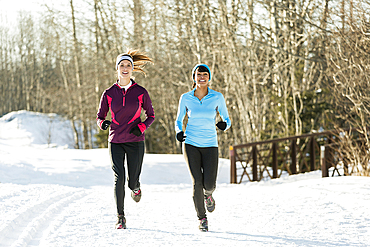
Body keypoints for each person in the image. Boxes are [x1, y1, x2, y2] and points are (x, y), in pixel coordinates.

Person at [96, 49, 155, 229]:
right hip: (115, 140)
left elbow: (151, 115)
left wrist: (142, 127)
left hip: (135, 140)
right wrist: (103, 124)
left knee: (132, 181)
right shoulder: (108, 93)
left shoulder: (140, 92)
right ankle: (120, 217)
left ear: (132, 69)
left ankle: (136, 188)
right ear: (117, 69)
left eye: (128, 65)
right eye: (122, 65)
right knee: (119, 178)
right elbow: (100, 116)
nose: (125, 68)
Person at [175, 63, 231, 232]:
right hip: (191, 143)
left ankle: (208, 195)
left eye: (205, 74)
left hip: (210, 144)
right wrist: (179, 132)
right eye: (199, 74)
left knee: (209, 184)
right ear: (194, 77)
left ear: (209, 77)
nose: (202, 77)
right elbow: (178, 120)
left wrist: (223, 125)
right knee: (196, 182)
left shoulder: (217, 97)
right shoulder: (186, 97)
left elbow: (227, 119)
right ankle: (202, 218)